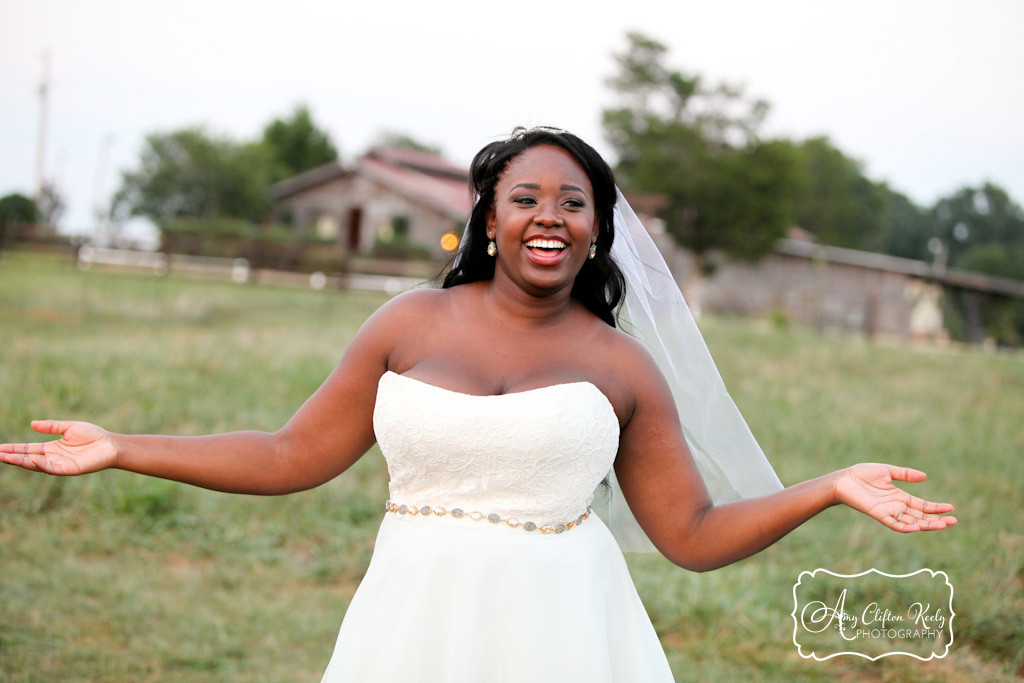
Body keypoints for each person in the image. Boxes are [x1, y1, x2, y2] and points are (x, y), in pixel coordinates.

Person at [0, 127, 956, 681]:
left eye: (573, 202)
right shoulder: (408, 323)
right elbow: (291, 454)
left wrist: (826, 486)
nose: (551, 215)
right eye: (526, 197)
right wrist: (122, 445)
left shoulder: (622, 366)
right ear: (489, 219)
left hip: (566, 634)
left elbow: (692, 534)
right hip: (412, 620)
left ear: (597, 230)